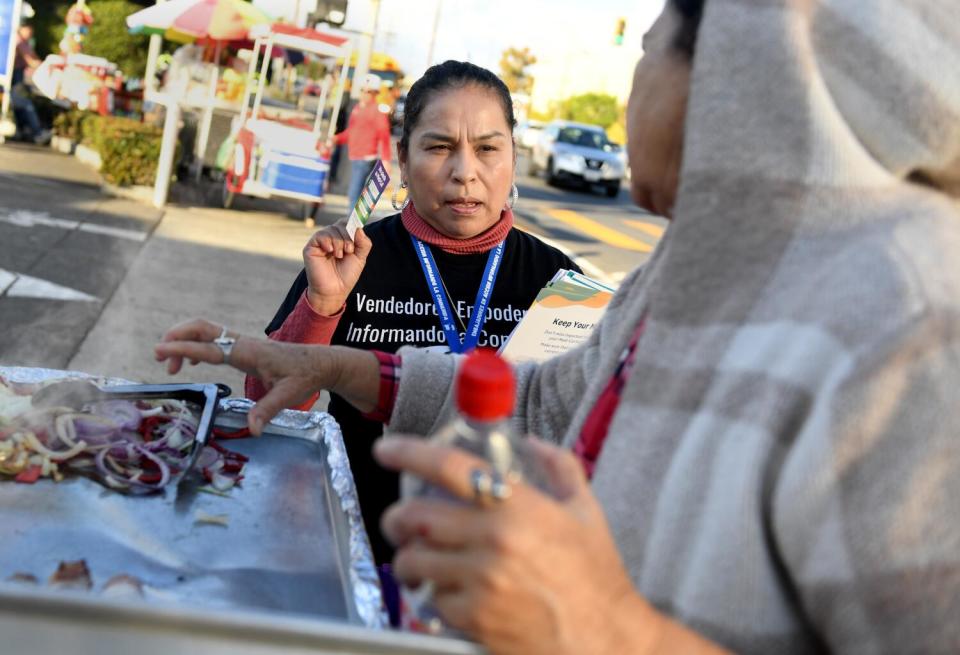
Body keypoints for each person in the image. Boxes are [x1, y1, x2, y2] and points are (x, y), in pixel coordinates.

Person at [156, 0, 960, 652]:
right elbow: (538, 403)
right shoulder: (689, 273)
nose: (630, 84)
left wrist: (608, 627)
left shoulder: (909, 313)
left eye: (648, 47)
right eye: (439, 146)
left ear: (737, 69)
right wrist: (329, 358)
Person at [246, 60, 580, 562]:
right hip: (353, 544)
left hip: (496, 565)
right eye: (439, 146)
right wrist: (324, 305)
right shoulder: (352, 257)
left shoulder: (562, 284)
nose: (465, 171)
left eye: (488, 148)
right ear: (403, 158)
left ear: (514, 157)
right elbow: (265, 404)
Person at [333, 74, 392, 210]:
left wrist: (386, 160)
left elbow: (384, 135)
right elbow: (351, 132)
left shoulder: (377, 111)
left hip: (365, 158)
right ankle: (354, 227)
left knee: (354, 194)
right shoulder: (357, 109)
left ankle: (352, 229)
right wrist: (337, 139)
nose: (365, 94)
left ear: (375, 93)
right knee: (355, 195)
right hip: (355, 156)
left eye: (369, 92)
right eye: (363, 90)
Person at [11, 23, 50, 145]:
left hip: (17, 75)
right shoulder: (18, 41)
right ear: (21, 29)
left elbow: (33, 56)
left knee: (18, 103)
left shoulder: (24, 42)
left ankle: (21, 131)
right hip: (14, 75)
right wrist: (47, 66)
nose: (29, 34)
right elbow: (30, 60)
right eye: (28, 31)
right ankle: (37, 132)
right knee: (24, 103)